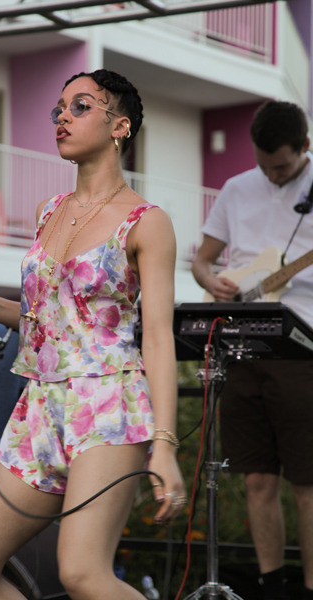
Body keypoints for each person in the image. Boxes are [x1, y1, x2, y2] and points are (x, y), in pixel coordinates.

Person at [0, 68, 186, 600]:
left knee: (81, 574)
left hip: (108, 403)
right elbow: (52, 323)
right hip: (39, 406)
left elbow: (158, 338)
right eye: (58, 110)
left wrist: (164, 445)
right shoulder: (47, 212)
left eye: (80, 107)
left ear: (119, 126)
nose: (61, 119)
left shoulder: (147, 221)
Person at [192, 100, 313, 600]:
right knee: (257, 480)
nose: (271, 174)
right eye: (263, 165)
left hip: (303, 350)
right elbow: (201, 261)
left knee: (308, 484)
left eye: (281, 166)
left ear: (305, 148)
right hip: (242, 343)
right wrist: (212, 281)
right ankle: (271, 587)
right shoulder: (238, 188)